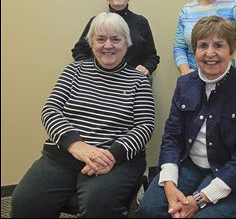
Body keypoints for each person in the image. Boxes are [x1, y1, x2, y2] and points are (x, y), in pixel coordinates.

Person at [11, 12, 155, 218]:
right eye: (101, 39)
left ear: (127, 43)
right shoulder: (73, 71)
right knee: (25, 204)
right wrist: (77, 146)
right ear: (91, 43)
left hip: (113, 161)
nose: (108, 45)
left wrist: (112, 155)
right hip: (63, 156)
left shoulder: (138, 81)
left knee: (98, 207)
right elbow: (50, 110)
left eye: (116, 39)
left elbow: (144, 126)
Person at [138, 16, 236, 218]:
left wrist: (198, 199)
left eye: (218, 45)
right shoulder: (184, 84)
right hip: (190, 165)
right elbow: (172, 137)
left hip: (234, 172)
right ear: (194, 51)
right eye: (202, 45)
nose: (210, 53)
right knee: (149, 210)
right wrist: (170, 187)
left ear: (231, 50)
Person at [72, 0, 160, 77]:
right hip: (99, 80)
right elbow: (79, 50)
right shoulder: (96, 22)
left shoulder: (141, 22)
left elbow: (152, 57)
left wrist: (146, 68)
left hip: (132, 82)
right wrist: (92, 69)